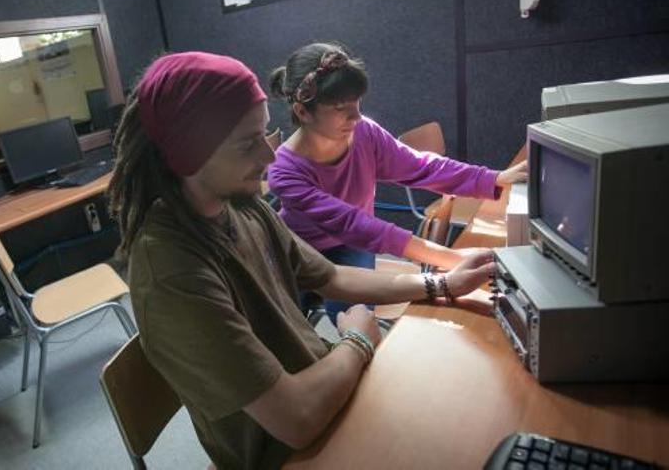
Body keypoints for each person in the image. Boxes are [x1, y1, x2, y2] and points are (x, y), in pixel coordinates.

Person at [107, 51, 496, 469]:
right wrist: (358, 341)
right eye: (247, 144)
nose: (269, 158)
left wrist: (441, 283)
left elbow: (331, 276)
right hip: (289, 451)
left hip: (329, 392)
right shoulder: (171, 271)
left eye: (265, 135)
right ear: (187, 152)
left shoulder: (241, 206)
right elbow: (297, 419)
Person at [266, 42, 526, 325]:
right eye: (341, 108)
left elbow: (421, 167)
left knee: (355, 318)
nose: (356, 116)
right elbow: (354, 224)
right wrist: (450, 258)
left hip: (352, 245)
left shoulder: (364, 132)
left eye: (357, 104)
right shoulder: (284, 170)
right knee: (290, 326)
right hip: (300, 249)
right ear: (303, 113)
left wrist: (492, 178)